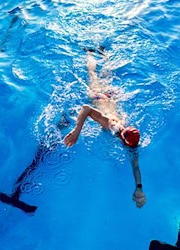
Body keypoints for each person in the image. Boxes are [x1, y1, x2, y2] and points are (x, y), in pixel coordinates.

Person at [64, 47, 146, 208]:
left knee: (106, 76)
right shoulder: (110, 124)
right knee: (92, 74)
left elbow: (135, 165)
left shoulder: (127, 137)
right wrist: (76, 132)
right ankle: (89, 52)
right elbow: (86, 108)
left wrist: (139, 188)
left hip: (110, 98)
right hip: (98, 96)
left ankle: (105, 55)